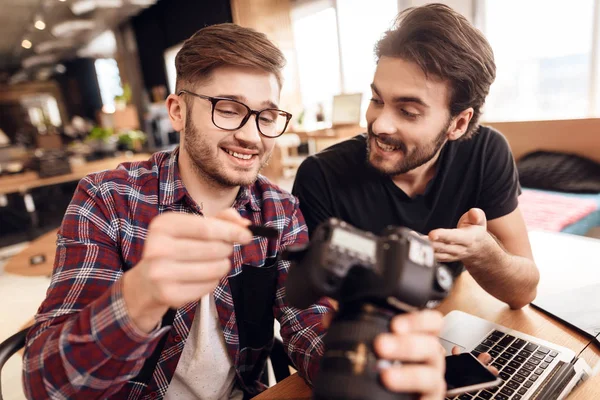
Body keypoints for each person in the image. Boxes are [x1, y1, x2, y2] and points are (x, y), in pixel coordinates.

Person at [23, 24, 448, 400]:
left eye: (266, 116)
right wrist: (140, 297)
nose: (250, 135)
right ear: (177, 110)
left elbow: (308, 325)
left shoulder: (277, 210)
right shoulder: (107, 200)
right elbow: (49, 385)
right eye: (228, 109)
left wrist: (374, 365)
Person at [293, 3, 540, 310]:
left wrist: (484, 253)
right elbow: (311, 313)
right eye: (376, 99)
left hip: (451, 318)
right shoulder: (320, 176)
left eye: (408, 112)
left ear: (458, 124)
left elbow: (523, 292)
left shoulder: (485, 152)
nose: (379, 124)